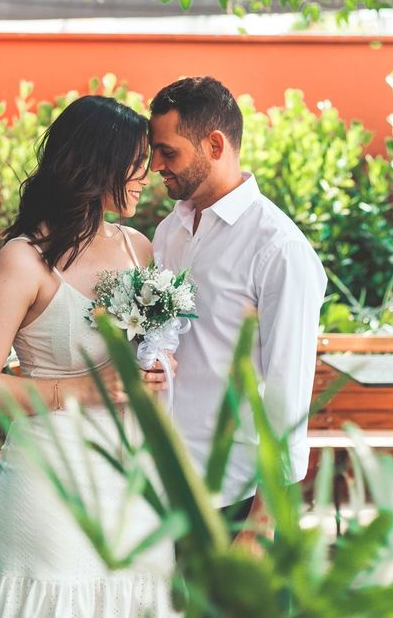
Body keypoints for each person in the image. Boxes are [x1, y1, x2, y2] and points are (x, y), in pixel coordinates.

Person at [0, 95, 176, 617]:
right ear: (97, 162)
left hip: (131, 480)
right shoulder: (23, 260)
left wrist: (156, 369)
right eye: (137, 159)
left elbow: (148, 349)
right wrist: (78, 389)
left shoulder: (137, 248)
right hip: (48, 485)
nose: (146, 173)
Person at [150, 76, 326, 536]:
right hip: (162, 483)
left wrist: (263, 522)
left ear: (213, 144)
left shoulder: (279, 248)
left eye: (168, 152)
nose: (155, 165)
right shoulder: (169, 232)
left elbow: (289, 393)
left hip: (237, 496)